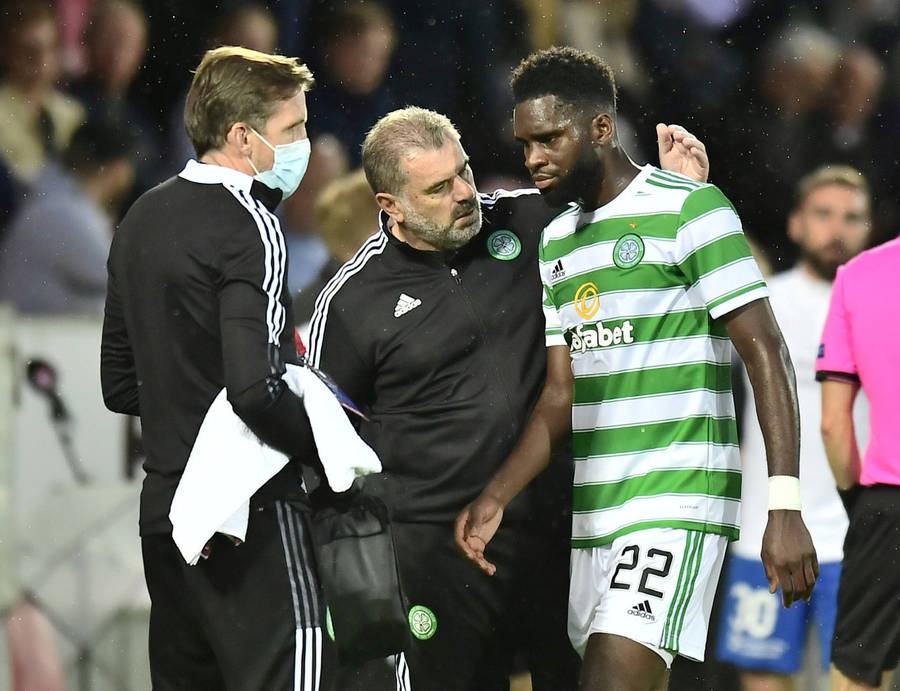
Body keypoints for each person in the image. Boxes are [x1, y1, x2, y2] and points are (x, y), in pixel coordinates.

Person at [306, 102, 708, 689]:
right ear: (389, 205)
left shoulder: (534, 221)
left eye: (464, 171)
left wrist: (679, 190)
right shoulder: (349, 303)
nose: (464, 193)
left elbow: (633, 231)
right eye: (438, 188)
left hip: (563, 528)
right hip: (439, 552)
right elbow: (327, 446)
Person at [456, 47, 818, 691]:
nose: (533, 157)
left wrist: (784, 505)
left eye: (549, 139)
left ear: (600, 128)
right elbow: (559, 395)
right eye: (524, 142)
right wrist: (496, 494)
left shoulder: (691, 209)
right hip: (595, 512)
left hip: (676, 500)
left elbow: (767, 352)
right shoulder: (560, 241)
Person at [101, 46, 333, 690]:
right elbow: (255, 391)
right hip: (248, 513)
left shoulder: (140, 218)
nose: (304, 144)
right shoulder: (250, 223)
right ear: (241, 136)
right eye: (292, 130)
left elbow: (118, 384)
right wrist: (329, 452)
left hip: (165, 513)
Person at [716, 165, 872, 690]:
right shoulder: (759, 302)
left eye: (852, 218)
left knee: (860, 679)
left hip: (863, 536)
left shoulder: (885, 304)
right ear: (796, 224)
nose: (837, 229)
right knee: (762, 676)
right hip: (764, 527)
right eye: (824, 214)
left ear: (869, 228)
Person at [817, 234, 900, 690]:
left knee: (857, 675)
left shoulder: (860, 275)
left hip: (888, 512)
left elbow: (833, 423)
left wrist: (859, 502)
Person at [0, 118, 135, 315]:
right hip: (30, 336)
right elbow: (128, 279)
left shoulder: (60, 200)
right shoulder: (60, 210)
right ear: (117, 169)